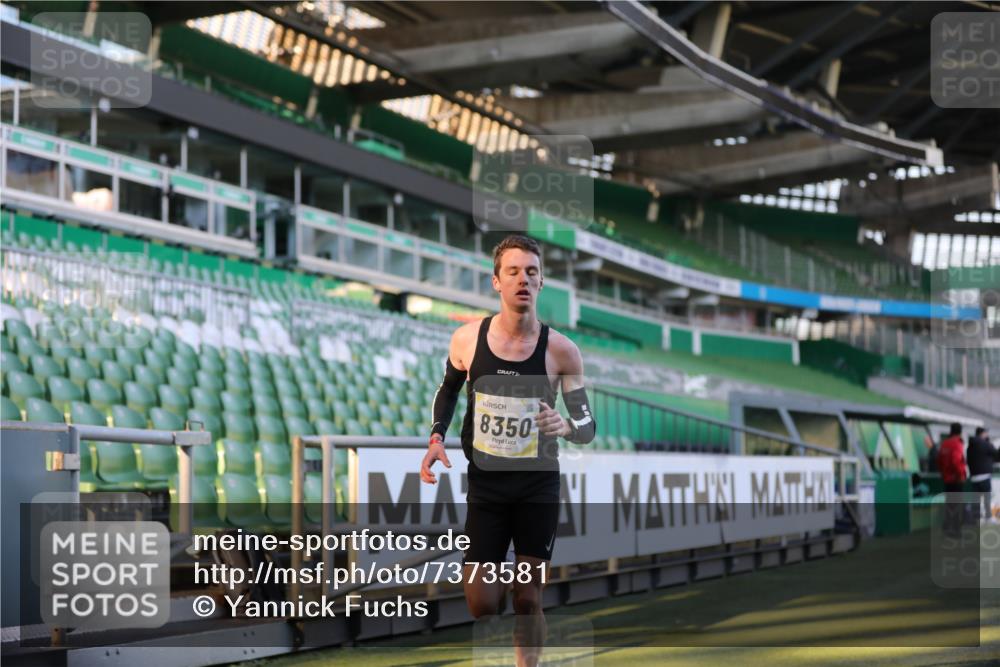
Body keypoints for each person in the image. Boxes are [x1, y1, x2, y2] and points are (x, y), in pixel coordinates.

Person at [420, 234, 595, 667]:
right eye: (513, 271)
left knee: (527, 596)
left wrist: (567, 426)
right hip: (488, 486)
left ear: (541, 282)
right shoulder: (466, 339)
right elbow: (447, 390)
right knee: (482, 604)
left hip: (537, 484)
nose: (523, 279)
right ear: (496, 282)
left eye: (531, 272)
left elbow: (588, 427)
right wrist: (436, 439)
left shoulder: (562, 351)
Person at [938, 423, 968, 535]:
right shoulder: (957, 444)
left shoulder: (944, 443)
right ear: (960, 432)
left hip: (947, 479)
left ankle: (947, 527)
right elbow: (956, 461)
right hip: (956, 479)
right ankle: (955, 530)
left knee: (949, 503)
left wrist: (944, 474)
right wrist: (961, 475)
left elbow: (939, 460)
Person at [967, 427, 997, 523]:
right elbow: (997, 455)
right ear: (983, 433)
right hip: (984, 476)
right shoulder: (985, 444)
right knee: (987, 498)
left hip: (974, 477)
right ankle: (988, 517)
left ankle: (975, 519)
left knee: (976, 499)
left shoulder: (970, 446)